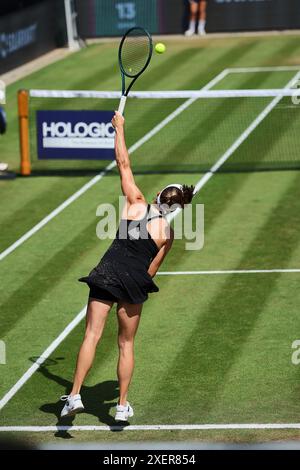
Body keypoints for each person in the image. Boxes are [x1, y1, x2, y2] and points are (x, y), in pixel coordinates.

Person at [60, 111, 194, 422]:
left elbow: (123, 162)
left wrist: (119, 128)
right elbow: (151, 271)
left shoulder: (136, 201)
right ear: (177, 207)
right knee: (126, 343)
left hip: (107, 271)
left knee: (92, 335)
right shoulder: (167, 235)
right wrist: (134, 289)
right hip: (133, 281)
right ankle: (121, 407)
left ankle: (75, 396)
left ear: (159, 195)